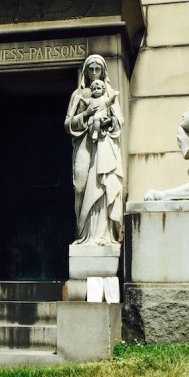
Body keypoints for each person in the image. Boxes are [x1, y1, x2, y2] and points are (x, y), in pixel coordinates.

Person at [64, 54, 124, 245]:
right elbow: (68, 123)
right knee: (80, 185)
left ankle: (100, 235)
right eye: (91, 69)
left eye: (98, 69)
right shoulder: (79, 95)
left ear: (104, 71)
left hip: (104, 144)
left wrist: (109, 121)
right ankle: (82, 234)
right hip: (83, 143)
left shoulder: (110, 94)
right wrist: (86, 114)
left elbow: (119, 121)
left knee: (101, 184)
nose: (95, 73)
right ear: (86, 72)